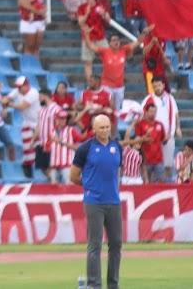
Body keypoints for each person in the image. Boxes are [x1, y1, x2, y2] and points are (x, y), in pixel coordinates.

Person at [72, 114, 122, 289]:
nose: (105, 130)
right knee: (95, 244)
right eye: (101, 127)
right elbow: (73, 175)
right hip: (94, 202)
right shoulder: (85, 149)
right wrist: (89, 186)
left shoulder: (117, 146)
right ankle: (94, 284)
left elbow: (116, 171)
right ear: (93, 129)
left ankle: (113, 284)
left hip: (114, 201)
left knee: (116, 243)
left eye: (107, 127)